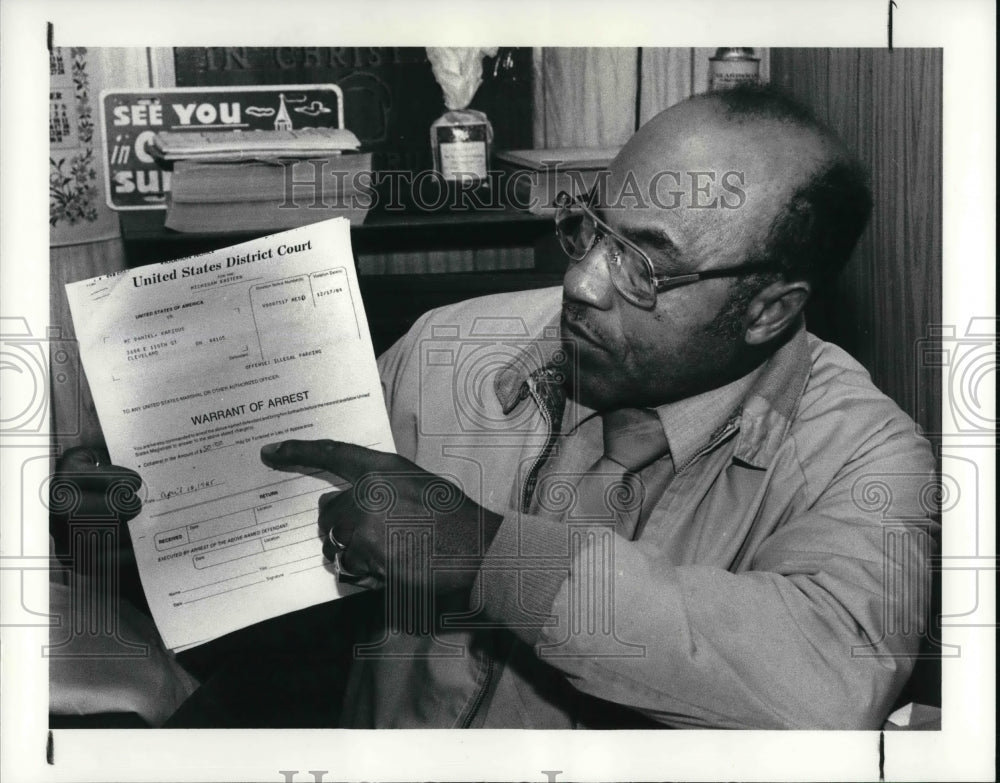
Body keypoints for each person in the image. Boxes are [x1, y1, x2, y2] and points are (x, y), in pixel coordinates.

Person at [62, 84, 938, 729]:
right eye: (592, 227)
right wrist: (126, 515)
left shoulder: (867, 458)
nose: (581, 279)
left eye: (645, 264)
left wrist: (490, 552)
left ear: (769, 309)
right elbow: (275, 538)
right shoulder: (451, 346)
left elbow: (830, 682)